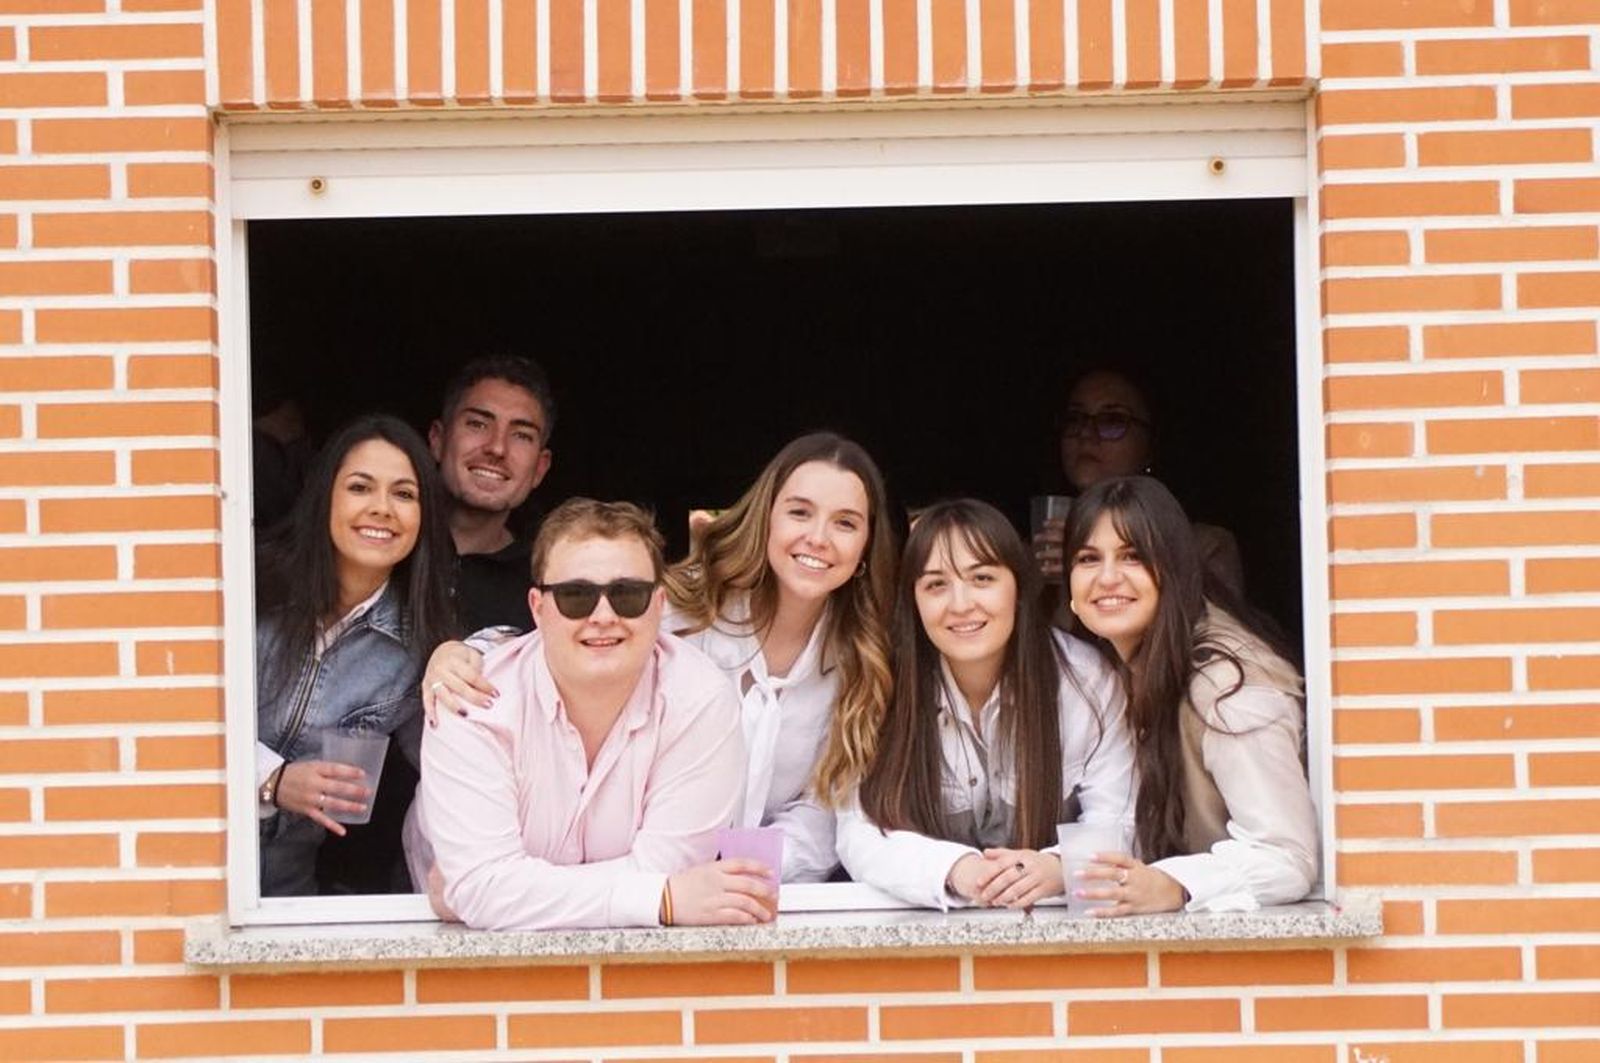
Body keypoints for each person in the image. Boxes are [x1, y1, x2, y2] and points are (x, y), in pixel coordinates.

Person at [423, 431, 898, 884]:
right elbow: (566, 635)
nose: (818, 537)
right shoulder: (683, 608)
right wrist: (467, 652)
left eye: (845, 523)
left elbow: (824, 810)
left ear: (864, 548)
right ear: (767, 519)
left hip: (743, 894)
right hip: (609, 877)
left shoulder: (864, 663)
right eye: (800, 512)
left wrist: (728, 871)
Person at [415, 499, 771, 930]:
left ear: (659, 605)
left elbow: (667, 869)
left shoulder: (701, 701)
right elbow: (483, 887)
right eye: (575, 596)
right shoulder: (469, 699)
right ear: (537, 607)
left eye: (628, 595)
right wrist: (662, 899)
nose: (603, 616)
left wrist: (492, 893)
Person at [837, 499, 1134, 909]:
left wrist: (1058, 867)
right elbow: (858, 832)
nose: (960, 604)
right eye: (936, 584)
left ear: (1018, 588)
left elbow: (1121, 818)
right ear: (913, 601)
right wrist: (957, 870)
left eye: (982, 578)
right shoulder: (881, 683)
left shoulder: (1085, 682)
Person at [1060, 475, 1317, 914]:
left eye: (1132, 557)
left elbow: (1287, 856)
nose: (1107, 577)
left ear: (1174, 571)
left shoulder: (1227, 685)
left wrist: (1175, 885)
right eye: (1088, 558)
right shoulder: (1109, 668)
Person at [254, 415, 456, 897]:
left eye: (404, 495)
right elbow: (174, 719)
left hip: (286, 896)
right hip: (187, 876)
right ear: (326, 497)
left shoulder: (416, 647)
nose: (382, 509)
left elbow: (459, 766)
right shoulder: (250, 592)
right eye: (361, 487)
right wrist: (270, 779)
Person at [1036, 367, 1243, 598]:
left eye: (1112, 421)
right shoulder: (1032, 553)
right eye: (1074, 419)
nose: (1086, 433)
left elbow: (1212, 630)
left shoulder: (1205, 547)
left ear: (1149, 448)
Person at [430, 355, 557, 633]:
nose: (497, 448)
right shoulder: (379, 547)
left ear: (540, 467)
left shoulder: (549, 584)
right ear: (438, 440)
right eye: (477, 424)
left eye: (521, 435)